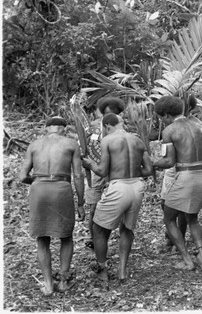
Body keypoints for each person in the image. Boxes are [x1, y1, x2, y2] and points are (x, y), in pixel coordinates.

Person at [82, 113, 153, 281]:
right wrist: (132, 173)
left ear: (107, 126)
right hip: (137, 186)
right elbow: (149, 170)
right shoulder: (137, 140)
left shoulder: (108, 140)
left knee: (98, 229)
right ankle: (122, 270)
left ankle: (102, 269)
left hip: (118, 187)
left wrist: (89, 164)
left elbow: (102, 171)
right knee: (127, 228)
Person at [20, 116, 85, 295]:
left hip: (39, 189)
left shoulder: (34, 145)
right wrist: (80, 203)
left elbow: (22, 176)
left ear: (46, 128)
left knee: (42, 238)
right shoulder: (71, 144)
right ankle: (63, 281)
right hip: (61, 189)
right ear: (63, 128)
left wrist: (39, 181)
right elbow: (78, 176)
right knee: (66, 236)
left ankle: (48, 285)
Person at [153, 96, 202, 270]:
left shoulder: (170, 131)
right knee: (192, 217)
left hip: (185, 177)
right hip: (201, 174)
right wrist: (196, 162)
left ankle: (187, 260)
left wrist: (152, 164)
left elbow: (168, 162)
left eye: (160, 118)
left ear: (165, 115)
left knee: (169, 218)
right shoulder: (198, 126)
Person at [85, 96, 126, 250]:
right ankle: (94, 239)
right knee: (94, 207)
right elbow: (86, 147)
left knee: (120, 206)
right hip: (97, 171)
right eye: (107, 114)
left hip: (117, 172)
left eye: (115, 115)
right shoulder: (93, 127)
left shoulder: (123, 127)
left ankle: (120, 237)